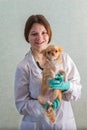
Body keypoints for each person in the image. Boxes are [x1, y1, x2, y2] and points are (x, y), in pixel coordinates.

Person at [14, 14, 82, 130]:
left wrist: (66, 86)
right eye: (34, 34)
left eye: (44, 32)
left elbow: (77, 92)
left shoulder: (64, 58)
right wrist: (42, 105)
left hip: (63, 123)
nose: (40, 38)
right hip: (37, 124)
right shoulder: (23, 67)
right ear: (28, 37)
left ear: (49, 34)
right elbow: (21, 104)